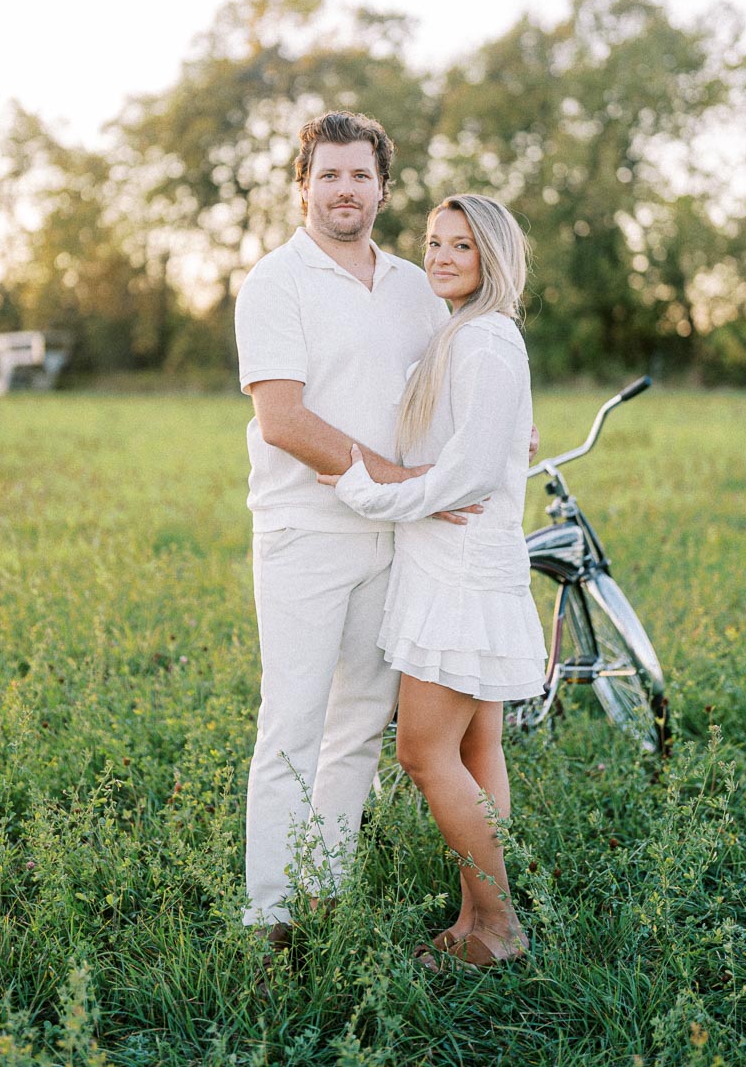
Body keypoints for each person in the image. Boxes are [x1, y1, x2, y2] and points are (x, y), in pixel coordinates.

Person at [233, 113, 538, 973]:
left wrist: (510, 420)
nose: (345, 191)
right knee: (291, 722)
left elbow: (463, 362)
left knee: (360, 729)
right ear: (304, 186)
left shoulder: (412, 283)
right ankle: (270, 918)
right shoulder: (275, 283)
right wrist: (402, 487)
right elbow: (282, 419)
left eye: (360, 177)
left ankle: (321, 892)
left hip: (401, 542)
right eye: (329, 176)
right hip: (307, 532)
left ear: (382, 189)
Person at [317, 194, 547, 968]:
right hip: (456, 566)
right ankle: (476, 919)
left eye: (461, 246)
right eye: (434, 243)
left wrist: (369, 493)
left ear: (493, 258)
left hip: (461, 574)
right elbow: (481, 441)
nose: (442, 257)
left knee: (421, 753)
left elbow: (470, 473)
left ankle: (502, 926)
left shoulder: (485, 340)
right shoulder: (465, 335)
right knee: (478, 752)